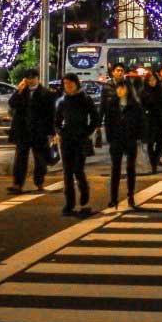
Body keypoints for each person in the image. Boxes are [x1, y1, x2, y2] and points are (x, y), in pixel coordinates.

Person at [55, 73, 99, 216]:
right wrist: (60, 132)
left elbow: (94, 118)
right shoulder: (62, 101)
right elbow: (56, 121)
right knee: (67, 173)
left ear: (76, 83)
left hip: (80, 139)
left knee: (78, 171)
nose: (68, 86)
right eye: (65, 84)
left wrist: (87, 131)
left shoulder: (85, 99)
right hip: (67, 139)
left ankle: (85, 202)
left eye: (70, 83)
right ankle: (69, 205)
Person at [7, 69, 57, 194]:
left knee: (40, 159)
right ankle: (17, 184)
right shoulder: (22, 92)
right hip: (23, 130)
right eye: (27, 78)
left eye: (32, 77)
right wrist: (19, 90)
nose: (30, 80)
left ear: (37, 78)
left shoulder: (46, 93)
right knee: (20, 159)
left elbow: (50, 114)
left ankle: (39, 182)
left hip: (39, 131)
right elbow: (12, 104)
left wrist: (52, 132)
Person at [102, 75, 143, 209]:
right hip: (116, 140)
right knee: (115, 169)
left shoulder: (135, 105)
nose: (120, 90)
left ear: (128, 89)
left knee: (130, 168)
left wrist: (138, 137)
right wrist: (110, 138)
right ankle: (113, 198)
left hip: (130, 140)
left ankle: (130, 195)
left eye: (122, 88)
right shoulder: (112, 104)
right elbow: (108, 122)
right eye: (118, 88)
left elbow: (140, 123)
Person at [139, 69, 162, 174]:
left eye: (154, 80)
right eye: (150, 80)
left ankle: (155, 160)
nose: (152, 82)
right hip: (149, 122)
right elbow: (141, 107)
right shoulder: (143, 92)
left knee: (160, 143)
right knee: (150, 144)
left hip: (160, 121)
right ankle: (153, 164)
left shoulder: (161, 91)